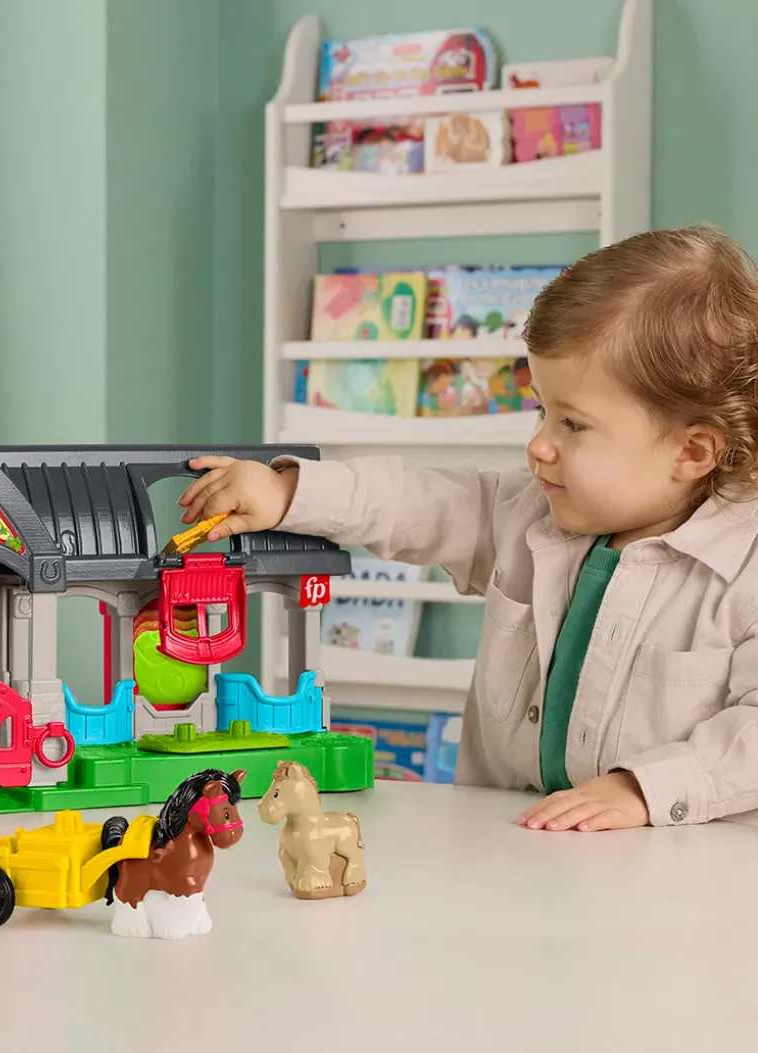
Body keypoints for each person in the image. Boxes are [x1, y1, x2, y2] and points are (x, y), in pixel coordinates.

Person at [178, 225, 758, 833]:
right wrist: (289, 493)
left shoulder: (742, 568)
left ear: (692, 451)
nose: (539, 445)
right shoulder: (528, 512)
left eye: (573, 425)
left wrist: (642, 789)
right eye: (542, 411)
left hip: (672, 870)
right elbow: (417, 502)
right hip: (506, 842)